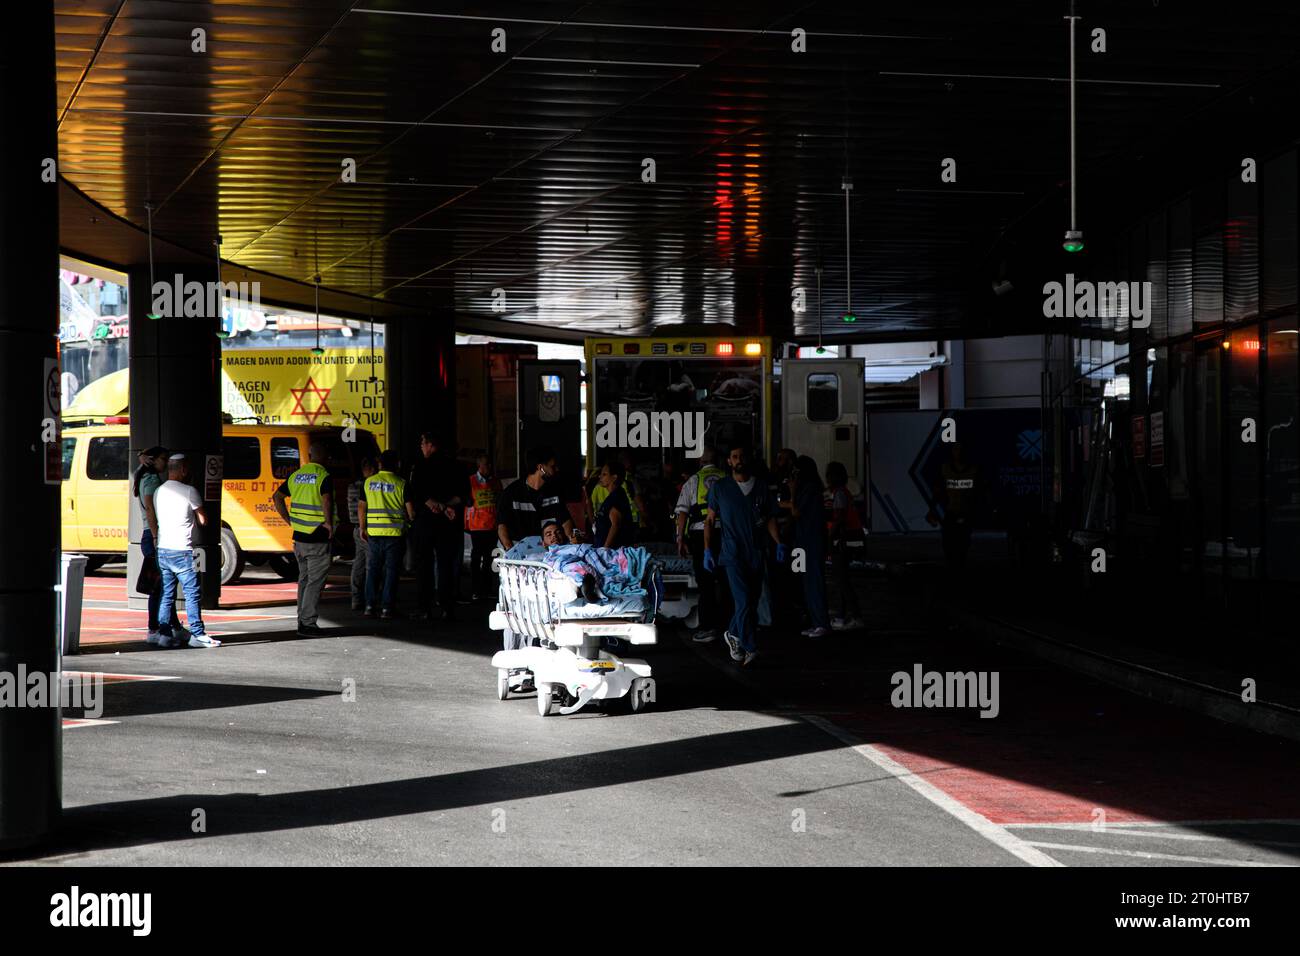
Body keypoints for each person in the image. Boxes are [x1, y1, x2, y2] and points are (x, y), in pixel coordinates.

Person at [703, 444, 781, 667]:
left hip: (756, 551)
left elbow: (769, 519)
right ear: (728, 461)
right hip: (732, 553)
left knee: (752, 601)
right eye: (734, 456)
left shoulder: (761, 487)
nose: (739, 460)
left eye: (742, 456)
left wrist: (779, 543)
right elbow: (709, 520)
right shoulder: (720, 488)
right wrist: (708, 549)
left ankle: (733, 633)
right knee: (744, 600)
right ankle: (750, 646)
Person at [154, 454, 219, 648]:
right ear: (182, 469)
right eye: (187, 469)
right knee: (192, 593)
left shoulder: (159, 490)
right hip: (183, 550)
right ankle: (197, 634)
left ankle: (164, 634)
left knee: (167, 594)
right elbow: (203, 520)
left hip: (163, 549)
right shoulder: (190, 491)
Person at [274, 441, 336, 637]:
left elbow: (277, 497)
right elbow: (326, 499)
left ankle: (302, 620)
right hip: (317, 537)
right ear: (324, 457)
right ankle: (308, 623)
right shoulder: (323, 476)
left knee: (305, 579)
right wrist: (328, 523)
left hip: (299, 538)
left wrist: (288, 520)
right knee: (315, 582)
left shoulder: (296, 475)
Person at [406, 432, 466, 622]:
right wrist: (446, 506)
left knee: (424, 565)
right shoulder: (455, 466)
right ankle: (447, 606)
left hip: (426, 522)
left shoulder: (420, 466)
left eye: (423, 443)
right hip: (448, 523)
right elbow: (463, 495)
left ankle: (424, 607)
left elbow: (415, 492)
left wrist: (434, 504)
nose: (421, 447)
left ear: (430, 445)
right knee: (446, 564)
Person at [674, 446, 727, 644]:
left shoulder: (693, 481)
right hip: (725, 534)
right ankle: (728, 627)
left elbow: (682, 512)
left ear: (700, 462)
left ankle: (708, 628)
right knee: (726, 581)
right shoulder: (727, 478)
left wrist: (680, 538)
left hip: (699, 534)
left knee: (705, 584)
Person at [359, 449, 409, 619]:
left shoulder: (368, 482)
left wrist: (362, 527)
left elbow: (361, 507)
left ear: (380, 463)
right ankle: (387, 608)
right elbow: (411, 511)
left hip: (373, 533)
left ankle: (369, 606)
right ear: (397, 464)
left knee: (373, 569)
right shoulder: (401, 483)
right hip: (395, 534)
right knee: (392, 571)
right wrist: (408, 524)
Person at [497, 444, 574, 552]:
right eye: (552, 466)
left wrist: (569, 544)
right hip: (518, 551)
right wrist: (510, 551)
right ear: (540, 467)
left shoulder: (555, 492)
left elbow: (566, 521)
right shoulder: (511, 493)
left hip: (546, 552)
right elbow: (502, 526)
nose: (556, 469)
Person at [791, 455, 831, 638]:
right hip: (804, 541)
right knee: (806, 582)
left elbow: (796, 511)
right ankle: (815, 621)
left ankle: (821, 622)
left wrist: (791, 492)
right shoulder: (811, 488)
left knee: (813, 582)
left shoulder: (809, 489)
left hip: (810, 542)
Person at [927, 442, 981, 571]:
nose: (958, 452)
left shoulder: (974, 470)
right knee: (948, 544)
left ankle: (959, 569)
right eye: (956, 449)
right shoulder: (945, 469)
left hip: (966, 513)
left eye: (961, 449)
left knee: (963, 545)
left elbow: (980, 493)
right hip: (951, 512)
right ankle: (952, 568)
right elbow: (938, 491)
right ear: (952, 452)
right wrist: (932, 510)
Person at [134, 445, 168, 644]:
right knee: (160, 586)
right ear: (153, 460)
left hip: (149, 535)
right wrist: (156, 538)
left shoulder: (143, 475)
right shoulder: (152, 479)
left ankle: (163, 626)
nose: (166, 462)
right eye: (164, 458)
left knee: (162, 585)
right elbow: (150, 509)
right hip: (152, 535)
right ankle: (155, 629)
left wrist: (140, 456)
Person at [826, 461, 864, 630]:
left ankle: (855, 616)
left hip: (841, 542)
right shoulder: (844, 493)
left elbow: (839, 518)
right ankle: (842, 616)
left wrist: (829, 537)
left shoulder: (839, 494)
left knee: (842, 581)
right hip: (848, 541)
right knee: (842, 580)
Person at [464, 454, 502, 601]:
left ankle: (487, 589)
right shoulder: (471, 481)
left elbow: (499, 500)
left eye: (489, 464)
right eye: (486, 464)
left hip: (492, 525)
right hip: (477, 526)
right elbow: (467, 502)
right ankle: (476, 589)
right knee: (476, 558)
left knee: (489, 558)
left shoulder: (495, 481)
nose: (489, 467)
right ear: (479, 466)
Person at [347, 456, 377, 611]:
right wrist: (364, 528)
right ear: (371, 469)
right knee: (371, 565)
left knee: (358, 564)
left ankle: (356, 597)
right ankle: (369, 599)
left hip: (355, 528)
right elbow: (363, 508)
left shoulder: (352, 485)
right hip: (366, 528)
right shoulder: (367, 485)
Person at [593, 459, 636, 549]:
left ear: (614, 477)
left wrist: (605, 550)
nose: (600, 476)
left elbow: (615, 524)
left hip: (613, 551)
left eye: (604, 474)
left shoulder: (617, 496)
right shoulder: (614, 495)